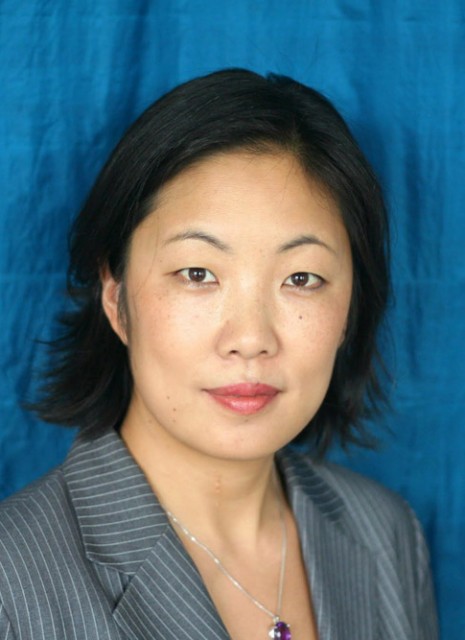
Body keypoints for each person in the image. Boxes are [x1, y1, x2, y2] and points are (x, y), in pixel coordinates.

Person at [0, 69, 437, 640]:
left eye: (301, 278)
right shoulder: (11, 581)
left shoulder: (387, 533)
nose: (251, 338)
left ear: (352, 306)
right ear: (116, 299)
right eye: (198, 273)